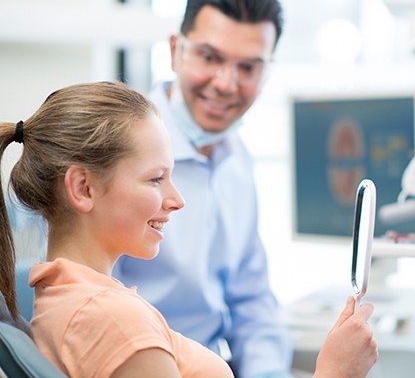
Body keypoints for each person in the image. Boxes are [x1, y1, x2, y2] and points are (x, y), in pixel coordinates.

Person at [0, 81, 377, 377]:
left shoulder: (64, 296)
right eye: (155, 179)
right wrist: (336, 372)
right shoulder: (113, 322)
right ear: (83, 188)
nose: (177, 199)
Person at [113, 0, 299, 376]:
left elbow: (251, 301)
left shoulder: (237, 160)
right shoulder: (115, 150)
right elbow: (89, 305)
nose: (226, 83)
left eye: (248, 67)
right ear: (176, 50)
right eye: (210, 57)